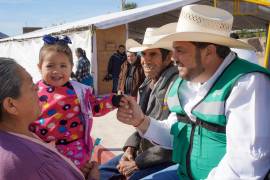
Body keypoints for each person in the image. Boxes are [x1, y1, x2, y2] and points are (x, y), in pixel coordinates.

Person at [116, 4, 270, 179]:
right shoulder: (186, 83)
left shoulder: (247, 83)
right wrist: (141, 121)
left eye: (179, 50)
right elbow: (175, 135)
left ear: (209, 52)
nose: (173, 58)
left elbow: (245, 166)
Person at [99, 24, 179, 180]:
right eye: (144, 54)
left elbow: (175, 139)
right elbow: (141, 127)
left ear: (168, 57)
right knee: (100, 173)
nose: (145, 60)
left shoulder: (176, 85)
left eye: (153, 54)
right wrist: (129, 149)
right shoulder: (147, 84)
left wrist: (137, 163)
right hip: (141, 153)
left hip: (162, 158)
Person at [0, 57, 99, 180]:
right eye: (31, 85)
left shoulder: (15, 135)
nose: (37, 87)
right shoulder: (37, 163)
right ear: (11, 105)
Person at [29, 35, 114, 172]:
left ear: (71, 67)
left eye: (63, 65)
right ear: (40, 67)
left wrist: (113, 100)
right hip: (41, 150)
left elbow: (94, 106)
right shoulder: (33, 91)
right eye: (50, 65)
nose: (57, 71)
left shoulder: (78, 91)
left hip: (75, 151)